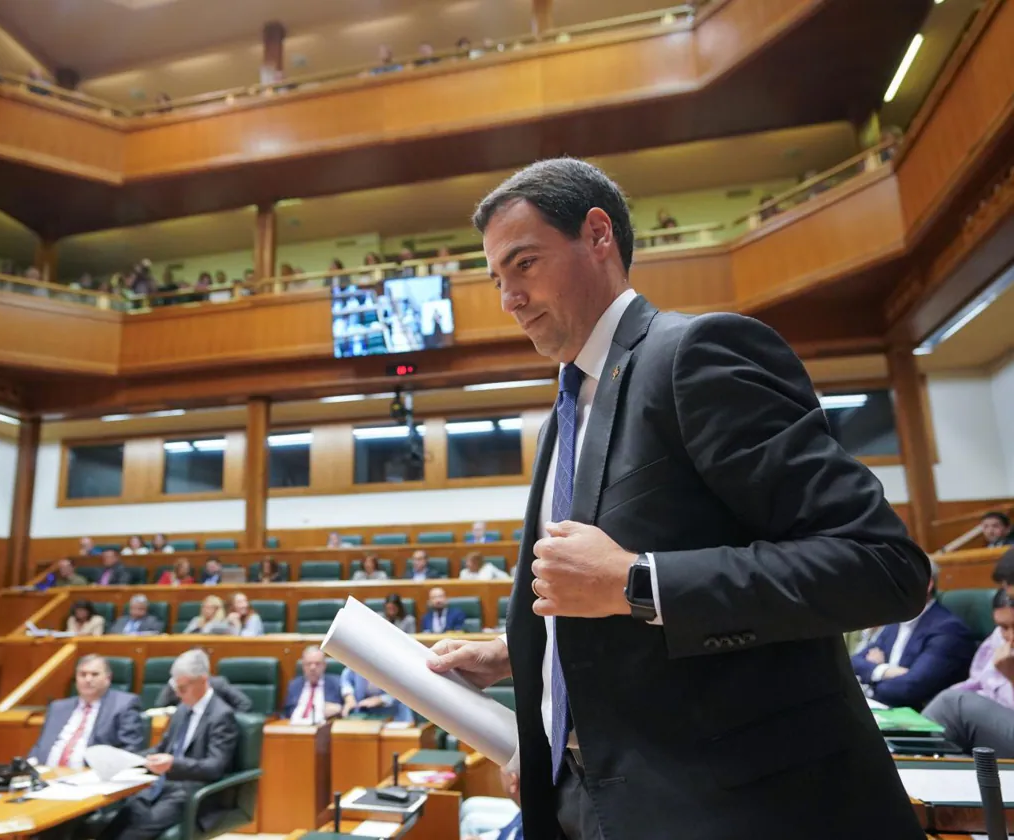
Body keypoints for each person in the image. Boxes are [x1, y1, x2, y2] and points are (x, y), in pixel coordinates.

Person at [426, 158, 929, 840]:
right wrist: (523, 654)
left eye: (524, 263)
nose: (508, 296)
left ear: (598, 234)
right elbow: (599, 606)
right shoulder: (564, 416)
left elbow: (881, 566)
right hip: (593, 802)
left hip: (740, 811)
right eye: (497, 277)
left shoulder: (696, 353)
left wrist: (638, 582)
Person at [99, 650, 239, 840]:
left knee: (133, 832)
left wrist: (173, 764)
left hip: (191, 792)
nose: (178, 694)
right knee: (116, 821)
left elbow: (215, 767)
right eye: (176, 687)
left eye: (183, 688)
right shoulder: (181, 710)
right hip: (160, 785)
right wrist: (132, 759)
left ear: (203, 680)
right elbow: (162, 748)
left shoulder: (221, 715)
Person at [850, 559, 974, 708]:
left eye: (898, 582)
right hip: (883, 707)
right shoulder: (896, 621)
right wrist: (884, 670)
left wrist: (869, 681)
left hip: (920, 716)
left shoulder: (949, 630)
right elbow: (854, 661)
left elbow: (909, 688)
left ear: (927, 584)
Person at [924, 589, 1014, 757]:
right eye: (1003, 627)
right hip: (991, 720)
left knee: (951, 705)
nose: (1010, 636)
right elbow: (977, 681)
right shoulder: (998, 638)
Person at [29, 655, 144, 767]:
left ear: (108, 678)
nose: (88, 679)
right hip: (46, 775)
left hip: (90, 777)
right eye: (83, 674)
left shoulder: (124, 704)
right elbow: (40, 747)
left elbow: (130, 749)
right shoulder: (58, 707)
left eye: (95, 674)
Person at [284, 646, 348, 724]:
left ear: (324, 665)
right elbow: (287, 712)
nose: (312, 667)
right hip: (296, 728)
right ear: (303, 666)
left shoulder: (336, 683)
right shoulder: (294, 685)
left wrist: (340, 709)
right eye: (308, 664)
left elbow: (348, 708)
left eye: (317, 664)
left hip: (324, 728)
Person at [341, 666, 414, 722]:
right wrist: (349, 699)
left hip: (396, 717)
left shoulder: (394, 667)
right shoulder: (356, 662)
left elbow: (402, 691)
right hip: (365, 716)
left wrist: (381, 699)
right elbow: (346, 679)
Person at [153, 671, 252, 711]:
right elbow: (160, 706)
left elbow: (244, 704)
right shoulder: (176, 684)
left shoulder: (218, 684)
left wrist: (227, 721)